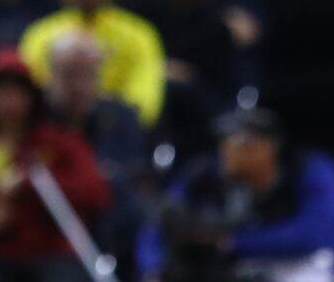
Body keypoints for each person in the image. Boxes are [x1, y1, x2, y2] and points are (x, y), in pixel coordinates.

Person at [0, 48, 111, 281]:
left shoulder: (58, 144)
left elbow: (97, 193)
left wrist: (28, 184)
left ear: (32, 98)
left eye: (17, 93)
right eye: (0, 93)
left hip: (52, 256)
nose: (9, 103)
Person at [137, 108, 334, 282]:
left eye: (243, 144)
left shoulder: (307, 171)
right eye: (225, 143)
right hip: (230, 265)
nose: (230, 152)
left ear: (269, 146)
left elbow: (321, 232)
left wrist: (235, 242)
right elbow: (158, 224)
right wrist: (153, 268)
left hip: (293, 262)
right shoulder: (203, 176)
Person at [21, 0, 166, 126]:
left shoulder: (139, 33)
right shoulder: (39, 34)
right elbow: (30, 93)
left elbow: (146, 100)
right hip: (53, 127)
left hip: (116, 127)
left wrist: (109, 118)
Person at [43, 32, 147, 278]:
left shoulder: (120, 117)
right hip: (50, 226)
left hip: (111, 219)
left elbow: (134, 172)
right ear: (51, 75)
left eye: (88, 74)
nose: (79, 86)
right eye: (70, 74)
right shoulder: (37, 121)